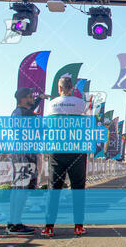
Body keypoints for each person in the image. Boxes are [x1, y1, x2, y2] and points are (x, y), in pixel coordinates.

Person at [42, 77, 88, 238]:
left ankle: (49, 228)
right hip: (77, 150)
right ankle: (78, 227)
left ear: (59, 88)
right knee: (78, 189)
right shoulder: (80, 103)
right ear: (72, 88)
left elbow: (48, 125)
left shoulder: (51, 104)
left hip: (57, 150)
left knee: (54, 189)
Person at [7, 87, 49, 235]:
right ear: (23, 99)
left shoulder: (22, 112)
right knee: (20, 189)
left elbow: (32, 109)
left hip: (26, 154)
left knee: (22, 189)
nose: (33, 98)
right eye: (31, 96)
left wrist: (41, 98)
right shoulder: (22, 113)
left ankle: (15, 222)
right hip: (23, 155)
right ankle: (14, 224)